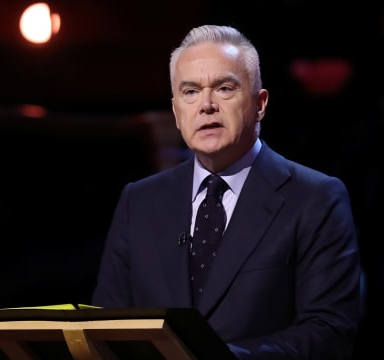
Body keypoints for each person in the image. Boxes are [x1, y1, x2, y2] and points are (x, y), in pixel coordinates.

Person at [91, 24, 362, 359]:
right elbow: (105, 327)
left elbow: (329, 333)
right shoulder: (140, 201)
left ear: (259, 104)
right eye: (190, 92)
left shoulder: (315, 198)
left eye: (224, 88)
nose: (206, 105)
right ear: (176, 112)